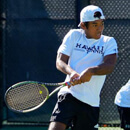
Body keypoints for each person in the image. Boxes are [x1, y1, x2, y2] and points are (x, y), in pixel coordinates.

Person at [48, 5, 118, 130]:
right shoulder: (73, 35)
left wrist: (91, 71)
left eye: (101, 23)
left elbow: (109, 66)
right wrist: (72, 73)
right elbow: (60, 61)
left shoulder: (109, 42)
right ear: (83, 25)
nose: (100, 28)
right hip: (68, 95)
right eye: (95, 25)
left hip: (90, 103)